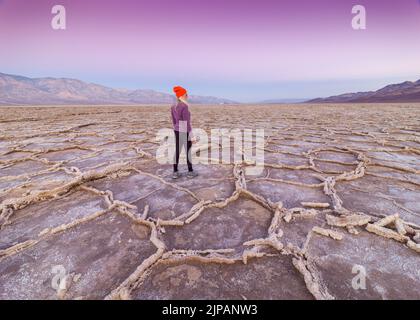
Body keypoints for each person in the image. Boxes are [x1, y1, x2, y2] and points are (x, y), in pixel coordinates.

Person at [171, 86, 198, 179]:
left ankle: (175, 172)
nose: (187, 96)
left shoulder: (173, 106)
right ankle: (190, 172)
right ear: (182, 95)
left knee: (177, 150)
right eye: (186, 94)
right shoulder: (184, 106)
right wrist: (192, 136)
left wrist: (177, 128)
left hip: (177, 130)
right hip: (184, 131)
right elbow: (187, 123)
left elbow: (174, 121)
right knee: (188, 151)